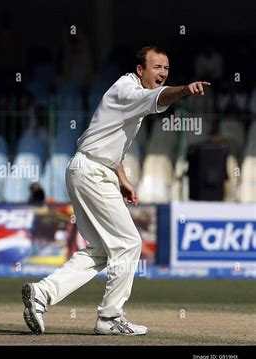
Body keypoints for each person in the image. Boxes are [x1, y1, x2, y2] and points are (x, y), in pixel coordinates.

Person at [22, 46, 210, 335]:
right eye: (157, 67)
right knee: (129, 243)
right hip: (92, 171)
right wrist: (184, 89)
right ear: (140, 69)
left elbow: (111, 139)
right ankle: (110, 318)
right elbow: (159, 97)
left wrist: (122, 177)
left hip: (88, 169)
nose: (163, 72)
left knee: (100, 250)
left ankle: (41, 294)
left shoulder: (128, 95)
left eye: (166, 68)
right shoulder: (127, 89)